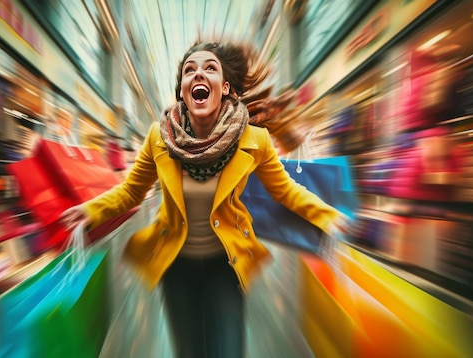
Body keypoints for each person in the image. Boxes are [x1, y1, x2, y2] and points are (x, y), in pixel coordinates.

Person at [61, 40, 349, 358]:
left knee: (228, 350)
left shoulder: (255, 140)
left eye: (210, 68)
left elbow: (285, 190)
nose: (198, 74)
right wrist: (90, 211)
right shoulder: (159, 137)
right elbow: (131, 191)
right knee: (190, 352)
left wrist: (326, 215)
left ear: (225, 87)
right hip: (176, 266)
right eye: (189, 70)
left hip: (226, 264)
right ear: (183, 90)